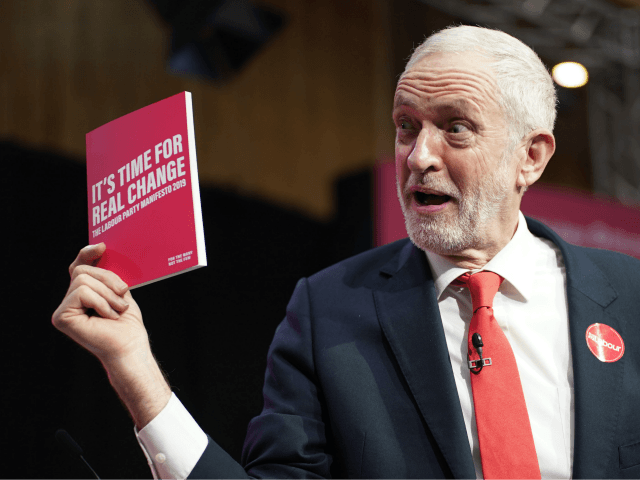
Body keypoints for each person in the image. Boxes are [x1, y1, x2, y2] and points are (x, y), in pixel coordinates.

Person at [52, 25, 640, 480]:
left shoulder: (628, 297)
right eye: (406, 126)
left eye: (455, 128)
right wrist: (135, 370)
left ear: (531, 157)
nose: (419, 156)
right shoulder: (328, 311)